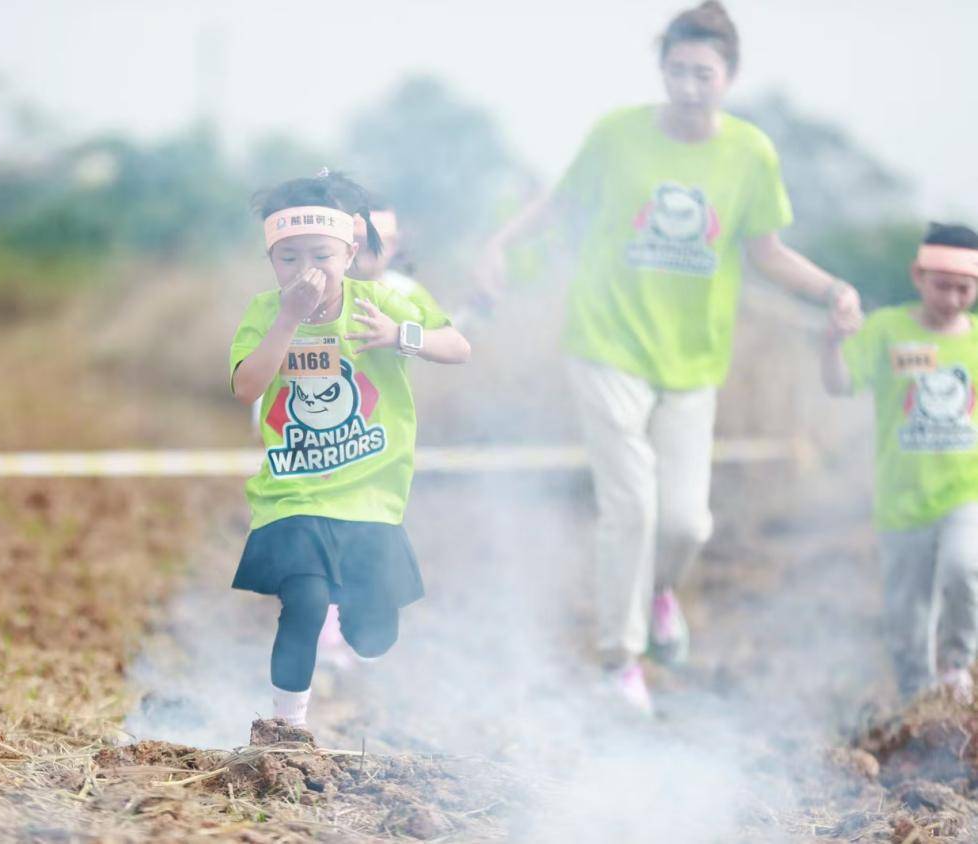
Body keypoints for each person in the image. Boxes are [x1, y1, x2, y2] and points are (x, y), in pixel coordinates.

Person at [477, 0, 862, 713]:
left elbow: (767, 252)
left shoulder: (749, 154)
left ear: (730, 76)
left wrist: (834, 289)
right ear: (662, 69)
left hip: (693, 361)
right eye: (678, 70)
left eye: (705, 73)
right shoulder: (616, 136)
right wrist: (500, 244)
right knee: (630, 505)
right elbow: (557, 207)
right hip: (606, 342)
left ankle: (658, 591)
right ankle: (620, 663)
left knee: (685, 521)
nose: (690, 84)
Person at [230, 171, 471, 727]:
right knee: (306, 604)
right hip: (293, 494)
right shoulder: (266, 312)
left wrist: (399, 336)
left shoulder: (378, 302)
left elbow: (457, 347)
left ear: (351, 250)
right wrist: (289, 319)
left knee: (373, 635)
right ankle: (284, 731)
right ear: (272, 260)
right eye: (289, 258)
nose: (306, 269)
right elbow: (246, 386)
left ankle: (366, 614)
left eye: (320, 254)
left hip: (370, 496)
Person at [823, 222, 978, 704]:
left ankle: (956, 667)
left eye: (964, 288)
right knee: (907, 611)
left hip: (964, 491)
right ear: (918, 276)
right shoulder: (888, 329)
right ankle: (917, 700)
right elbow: (839, 383)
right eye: (942, 285)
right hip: (902, 498)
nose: (952, 298)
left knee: (963, 568)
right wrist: (830, 343)